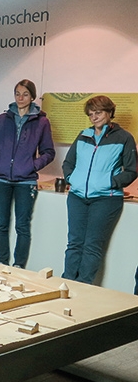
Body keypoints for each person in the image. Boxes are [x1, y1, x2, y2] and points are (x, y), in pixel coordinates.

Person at [62, 95, 137, 284]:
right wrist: (73, 179)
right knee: (74, 244)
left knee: (92, 246)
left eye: (99, 112)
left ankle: (84, 287)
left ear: (109, 112)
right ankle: (67, 284)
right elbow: (68, 162)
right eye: (91, 114)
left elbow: (132, 170)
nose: (94, 117)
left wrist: (109, 183)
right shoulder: (83, 135)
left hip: (106, 199)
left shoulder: (124, 138)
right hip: (77, 197)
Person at [0, 79, 55, 268]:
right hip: (1, 179)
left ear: (32, 96)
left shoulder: (41, 121)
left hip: (26, 181)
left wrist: (31, 166)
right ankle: (2, 263)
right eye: (17, 93)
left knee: (22, 226)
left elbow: (49, 152)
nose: (20, 98)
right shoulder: (3, 119)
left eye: (25, 94)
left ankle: (19, 266)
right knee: (1, 223)